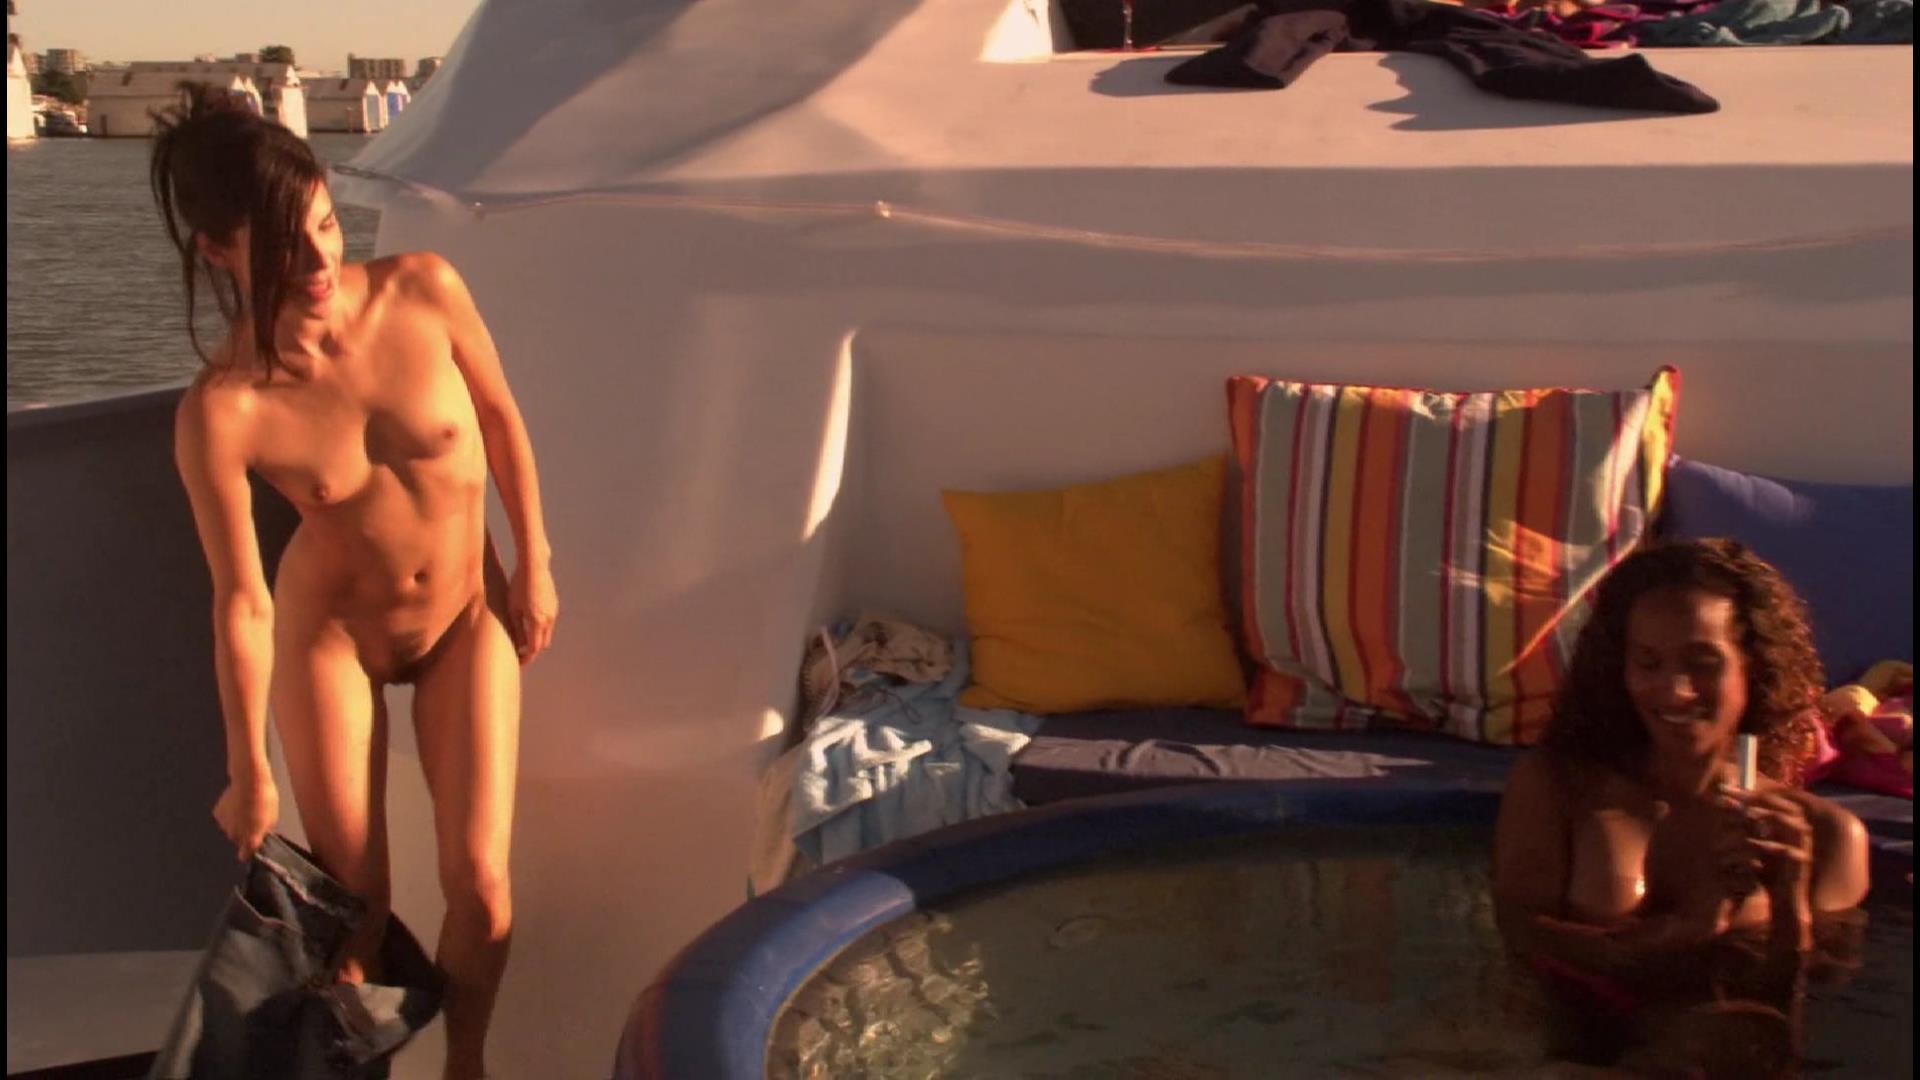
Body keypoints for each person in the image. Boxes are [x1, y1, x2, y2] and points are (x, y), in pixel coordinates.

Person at [152, 85, 557, 1080]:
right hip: (330, 634)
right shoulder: (224, 409)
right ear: (219, 252)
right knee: (355, 907)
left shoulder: (424, 288)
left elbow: (501, 420)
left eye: (328, 225)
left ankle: (466, 1066)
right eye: (285, 246)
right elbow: (242, 600)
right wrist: (249, 769)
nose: (320, 260)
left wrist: (534, 562)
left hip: (463, 614)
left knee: (481, 883)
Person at [1492, 537, 1870, 1071]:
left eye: (1702, 663)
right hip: (1574, 1053)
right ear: (1618, 667)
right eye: (1648, 662)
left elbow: (1803, 1014)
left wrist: (1788, 905)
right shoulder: (1560, 789)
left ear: (1754, 667)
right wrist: (1679, 933)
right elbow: (1519, 936)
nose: (1674, 690)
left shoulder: (1827, 835)